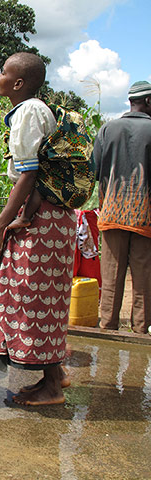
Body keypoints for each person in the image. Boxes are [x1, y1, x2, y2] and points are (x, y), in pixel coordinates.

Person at [0, 52, 74, 406]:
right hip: (49, 217)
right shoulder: (36, 110)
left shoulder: (29, 112)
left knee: (28, 296)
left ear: (18, 83)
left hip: (41, 220)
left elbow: (29, 174)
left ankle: (50, 386)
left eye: (3, 72)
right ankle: (56, 374)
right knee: (44, 296)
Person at [93, 80, 151, 334]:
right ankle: (140, 329)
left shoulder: (108, 129)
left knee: (111, 273)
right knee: (143, 275)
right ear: (148, 101)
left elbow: (93, 171)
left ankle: (108, 327)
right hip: (145, 215)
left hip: (112, 212)